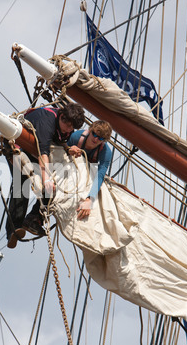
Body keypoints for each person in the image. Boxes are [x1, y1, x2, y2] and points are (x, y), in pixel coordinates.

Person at [6, 103, 85, 248]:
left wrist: (69, 149)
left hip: (36, 151)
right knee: (21, 186)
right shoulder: (47, 120)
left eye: (70, 127)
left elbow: (57, 141)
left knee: (57, 184)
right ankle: (13, 230)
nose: (66, 128)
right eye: (64, 123)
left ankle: (34, 219)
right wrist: (46, 179)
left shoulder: (66, 127)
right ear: (61, 115)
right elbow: (44, 153)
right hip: (17, 148)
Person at [66, 120, 112, 220]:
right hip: (68, 169)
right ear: (90, 130)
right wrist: (69, 149)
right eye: (94, 134)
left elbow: (100, 174)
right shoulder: (76, 137)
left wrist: (90, 199)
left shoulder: (106, 152)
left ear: (104, 140)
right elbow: (60, 151)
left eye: (100, 138)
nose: (95, 139)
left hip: (85, 177)